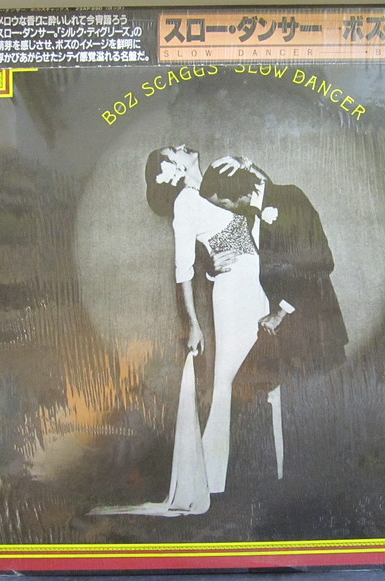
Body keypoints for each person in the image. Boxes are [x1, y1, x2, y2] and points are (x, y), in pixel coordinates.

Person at [89, 145, 271, 517]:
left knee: (264, 372)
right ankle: (216, 479)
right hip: (234, 294)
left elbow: (259, 209)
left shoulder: (215, 186)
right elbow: (183, 271)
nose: (182, 147)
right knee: (230, 380)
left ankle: (254, 471)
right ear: (170, 172)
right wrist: (193, 325)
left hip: (259, 287)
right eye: (174, 151)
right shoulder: (186, 203)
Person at [200, 157, 349, 487]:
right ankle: (290, 485)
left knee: (308, 410)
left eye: (222, 203)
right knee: (283, 407)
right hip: (283, 330)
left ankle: (318, 489)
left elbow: (321, 260)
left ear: (238, 194)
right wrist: (212, 266)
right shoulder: (246, 212)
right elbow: (230, 258)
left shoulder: (289, 198)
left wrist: (281, 311)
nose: (222, 210)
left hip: (310, 324)